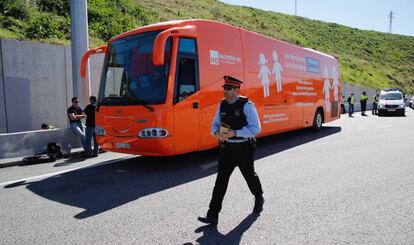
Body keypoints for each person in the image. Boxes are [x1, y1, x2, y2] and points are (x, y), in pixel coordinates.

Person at [198, 76, 264, 226]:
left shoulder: (246, 105)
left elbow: (256, 128)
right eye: (224, 88)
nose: (225, 91)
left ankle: (259, 197)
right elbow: (214, 125)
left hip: (244, 148)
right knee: (220, 181)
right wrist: (216, 133)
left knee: (249, 175)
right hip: (226, 148)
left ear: (236, 90)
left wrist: (236, 133)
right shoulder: (222, 105)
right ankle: (212, 215)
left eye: (228, 89)